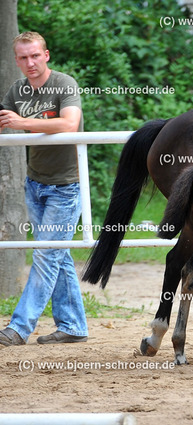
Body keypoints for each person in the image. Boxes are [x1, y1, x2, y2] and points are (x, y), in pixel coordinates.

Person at [0, 32, 88, 347]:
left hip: (67, 185)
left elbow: (69, 124)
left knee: (47, 254)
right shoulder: (16, 90)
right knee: (56, 254)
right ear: (17, 61)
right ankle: (74, 325)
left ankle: (19, 327)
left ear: (46, 55)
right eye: (23, 58)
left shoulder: (64, 84)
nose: (30, 63)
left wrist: (21, 122)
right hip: (35, 182)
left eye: (35, 55)